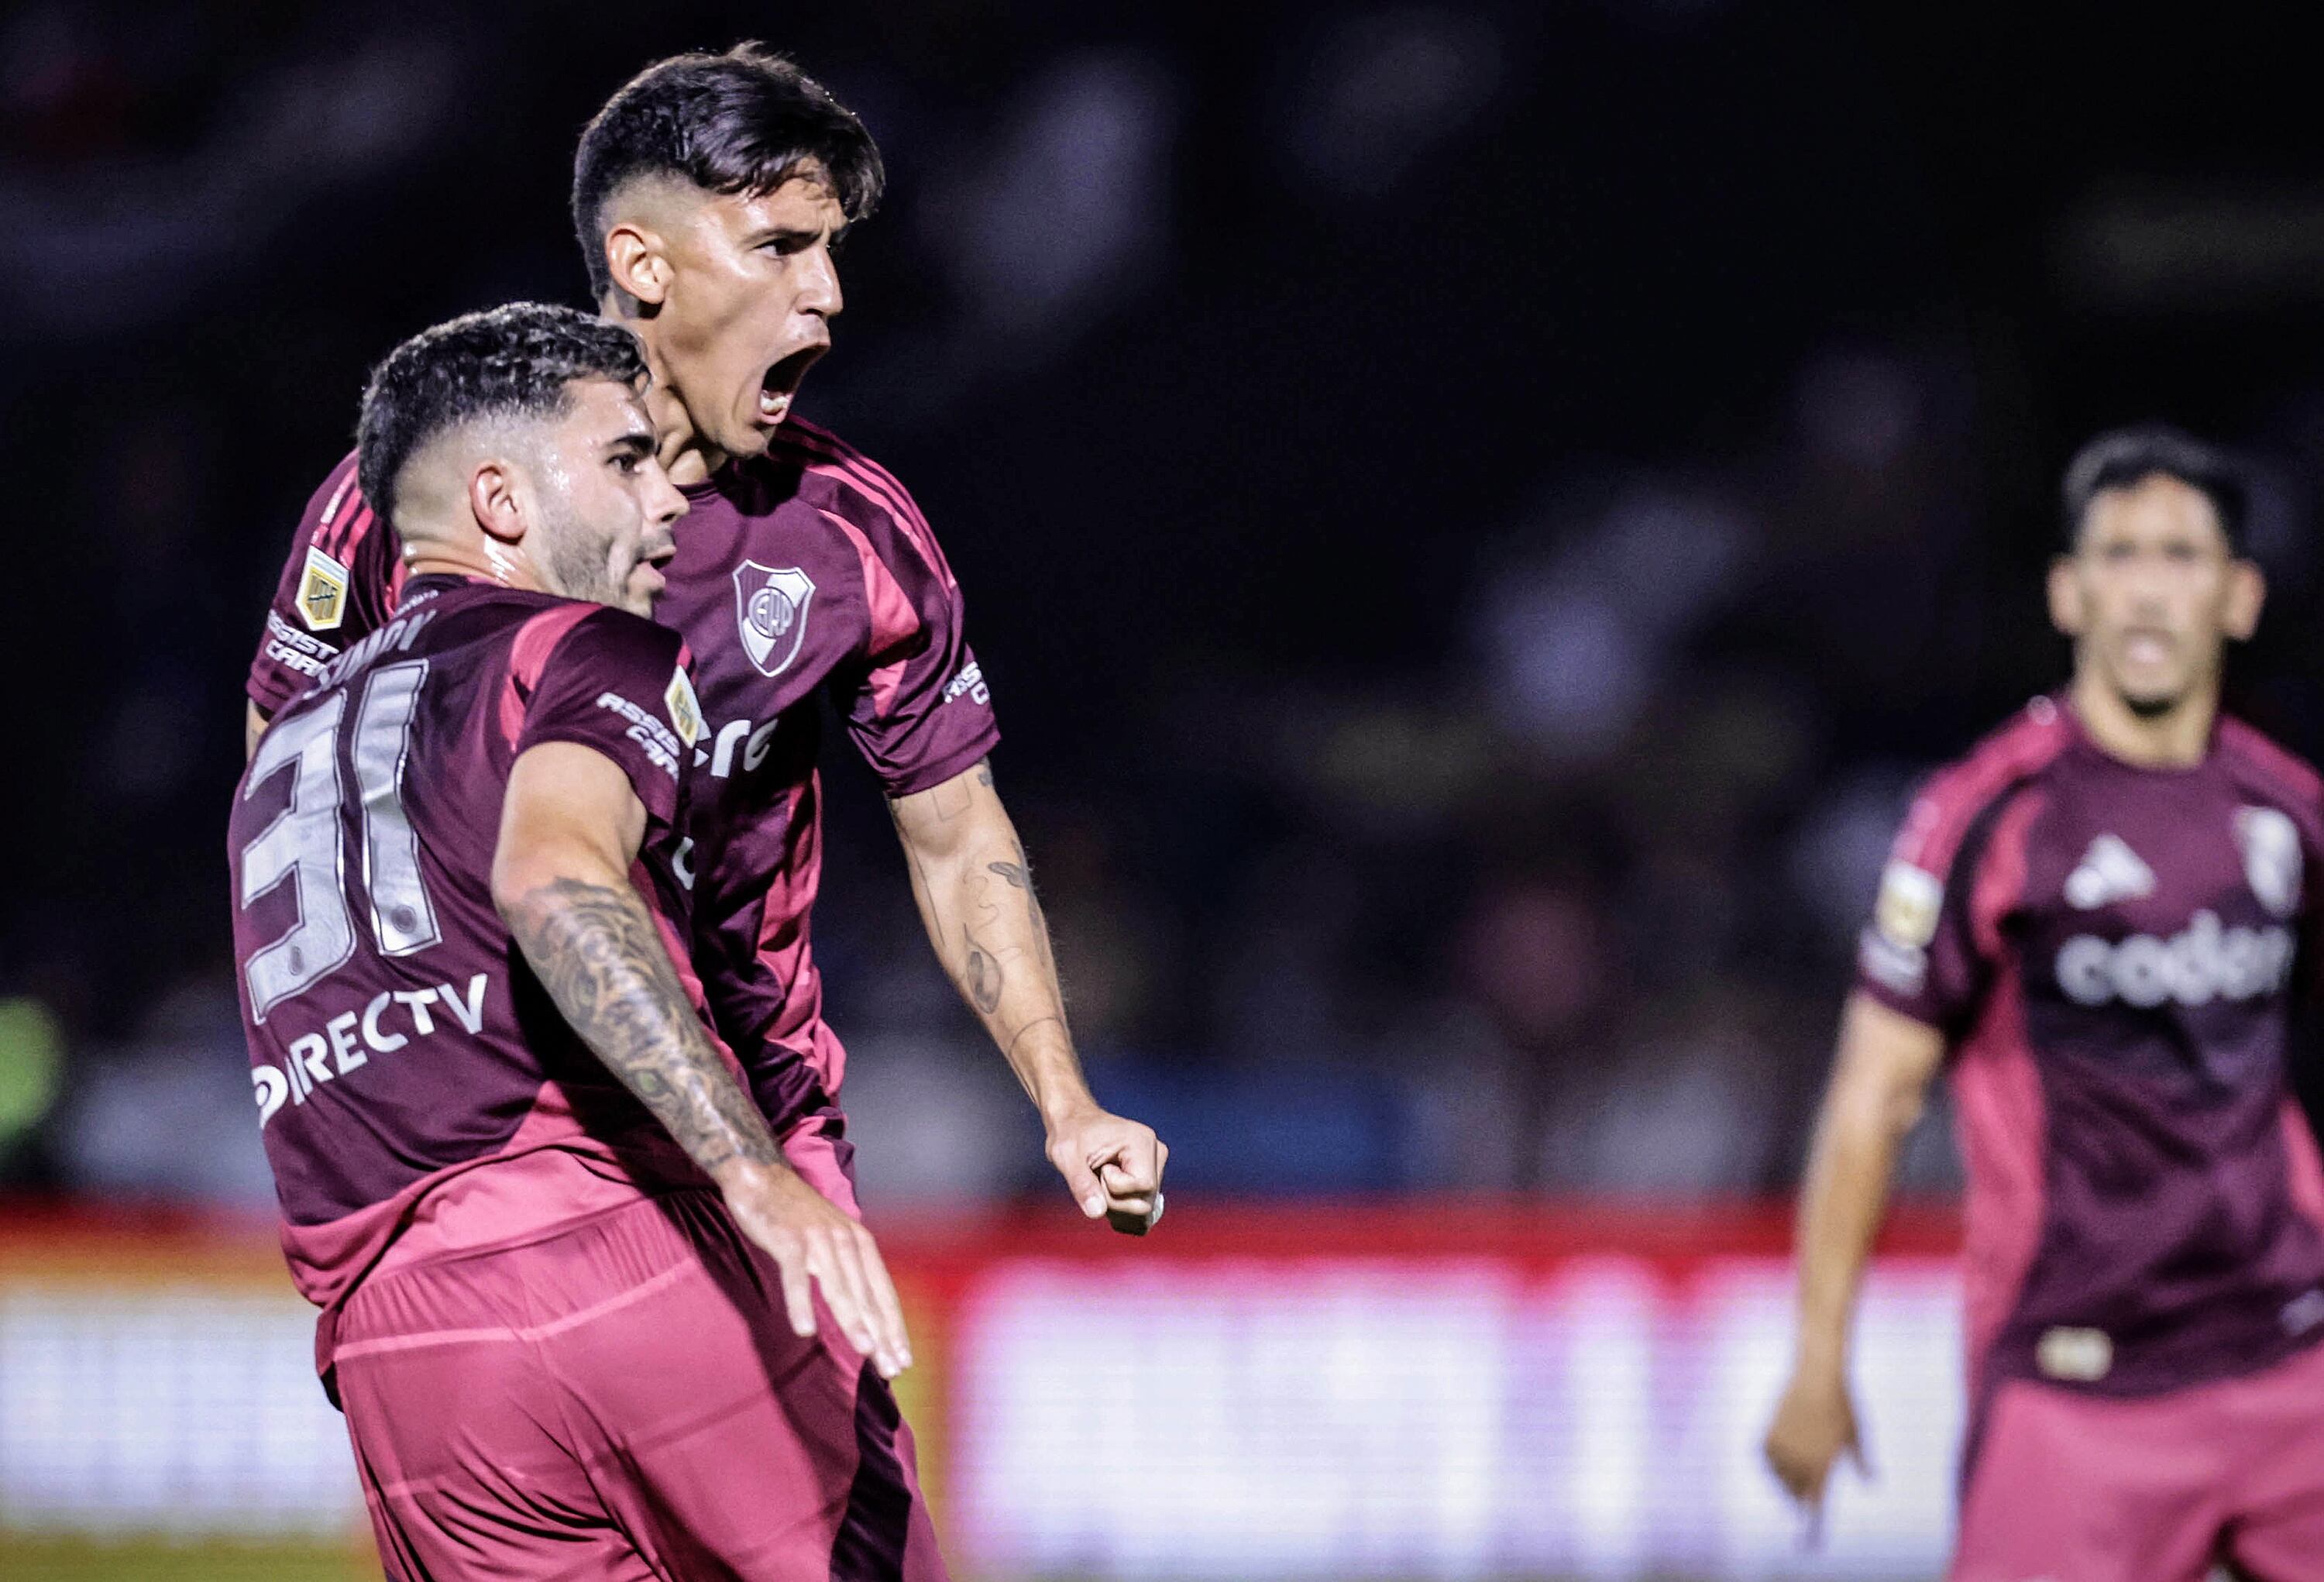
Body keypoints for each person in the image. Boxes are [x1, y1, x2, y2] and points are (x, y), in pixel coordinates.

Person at [232, 301, 938, 1577]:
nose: (668, 497)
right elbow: (554, 881)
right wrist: (755, 1170)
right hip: (619, 1255)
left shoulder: (281, 752)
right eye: (622, 460)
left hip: (404, 1356)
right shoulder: (584, 646)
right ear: (499, 500)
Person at [1763, 425, 2324, 1580]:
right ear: (2069, 593)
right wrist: (1819, 1362)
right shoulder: (1989, 819)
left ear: (2242, 596)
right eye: (2119, 555)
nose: (2149, 588)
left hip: (2293, 1368)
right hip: (2080, 1387)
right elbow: (1873, 1095)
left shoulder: (2290, 814)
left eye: (2181, 554)